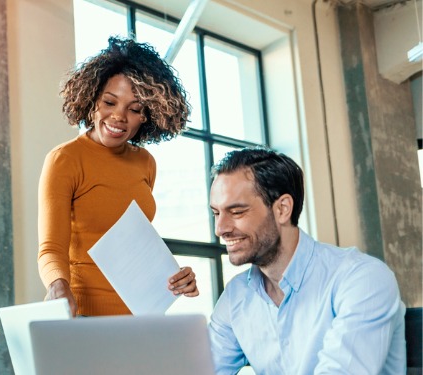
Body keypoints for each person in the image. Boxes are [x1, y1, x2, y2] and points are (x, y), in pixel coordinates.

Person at [207, 147, 406, 374]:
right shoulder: (237, 296)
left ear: (282, 209)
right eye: (216, 213)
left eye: (237, 212)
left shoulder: (363, 278)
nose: (220, 229)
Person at [37, 36, 198, 317]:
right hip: (83, 315)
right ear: (91, 99)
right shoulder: (65, 160)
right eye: (109, 102)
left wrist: (177, 277)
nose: (118, 117)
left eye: (134, 109)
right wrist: (58, 286)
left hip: (141, 317)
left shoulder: (145, 163)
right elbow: (51, 248)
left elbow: (135, 246)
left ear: (147, 116)